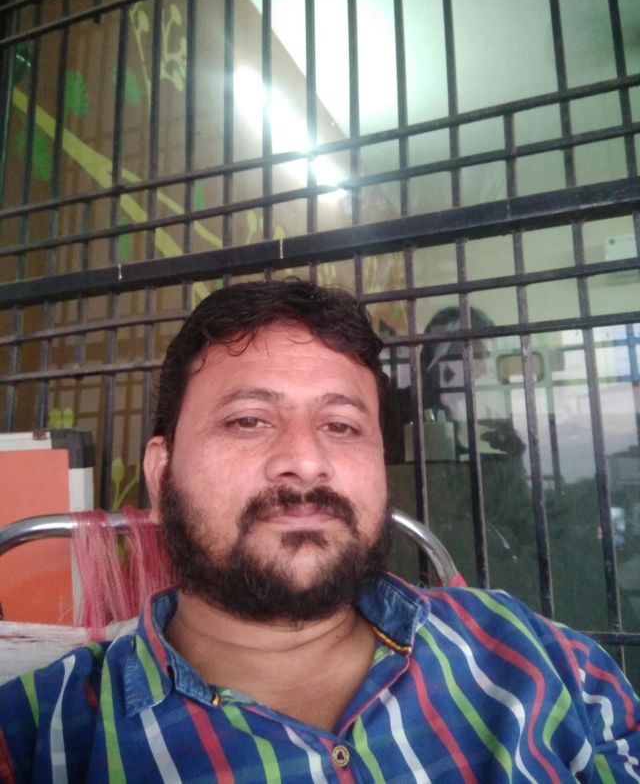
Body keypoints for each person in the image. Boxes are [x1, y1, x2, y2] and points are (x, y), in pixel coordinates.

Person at [1, 278, 639, 783]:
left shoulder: (536, 658)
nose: (307, 461)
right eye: (249, 420)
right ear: (161, 475)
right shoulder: (40, 741)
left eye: (341, 426)